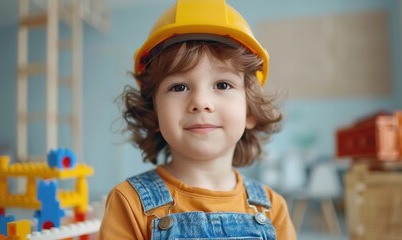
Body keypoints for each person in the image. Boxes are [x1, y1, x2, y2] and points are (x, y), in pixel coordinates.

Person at [98, 0, 296, 239]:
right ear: (154, 111)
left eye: (222, 84)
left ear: (250, 112)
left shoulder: (273, 209)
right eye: (179, 86)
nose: (200, 101)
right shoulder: (129, 203)